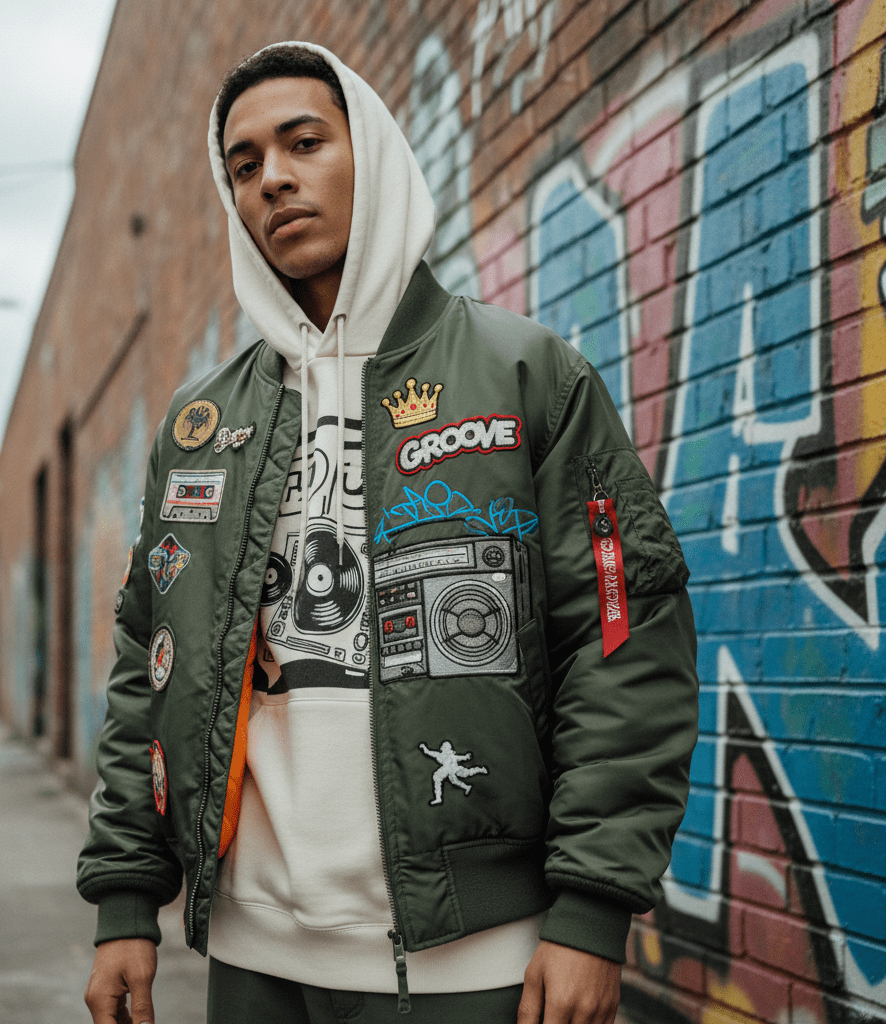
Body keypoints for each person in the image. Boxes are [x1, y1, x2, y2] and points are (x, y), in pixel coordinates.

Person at [79, 41, 699, 1024]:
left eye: (302, 143)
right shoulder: (204, 423)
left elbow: (622, 645)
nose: (272, 177)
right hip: (251, 950)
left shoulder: (524, 376)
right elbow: (146, 669)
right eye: (243, 166)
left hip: (472, 958)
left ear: (371, 152)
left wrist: (589, 908)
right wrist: (124, 896)